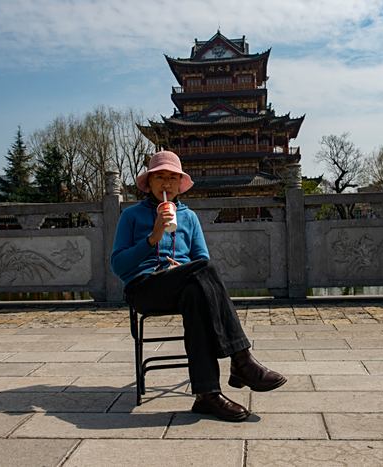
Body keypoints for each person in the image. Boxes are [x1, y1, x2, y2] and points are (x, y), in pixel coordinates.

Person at [110, 150, 286, 422]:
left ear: (180, 183)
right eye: (160, 177)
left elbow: (201, 258)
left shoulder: (188, 216)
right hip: (145, 288)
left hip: (183, 286)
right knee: (205, 271)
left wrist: (182, 270)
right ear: (149, 182)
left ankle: (207, 395)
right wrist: (153, 237)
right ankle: (242, 360)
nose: (166, 184)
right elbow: (119, 266)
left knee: (196, 291)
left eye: (172, 177)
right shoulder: (132, 216)